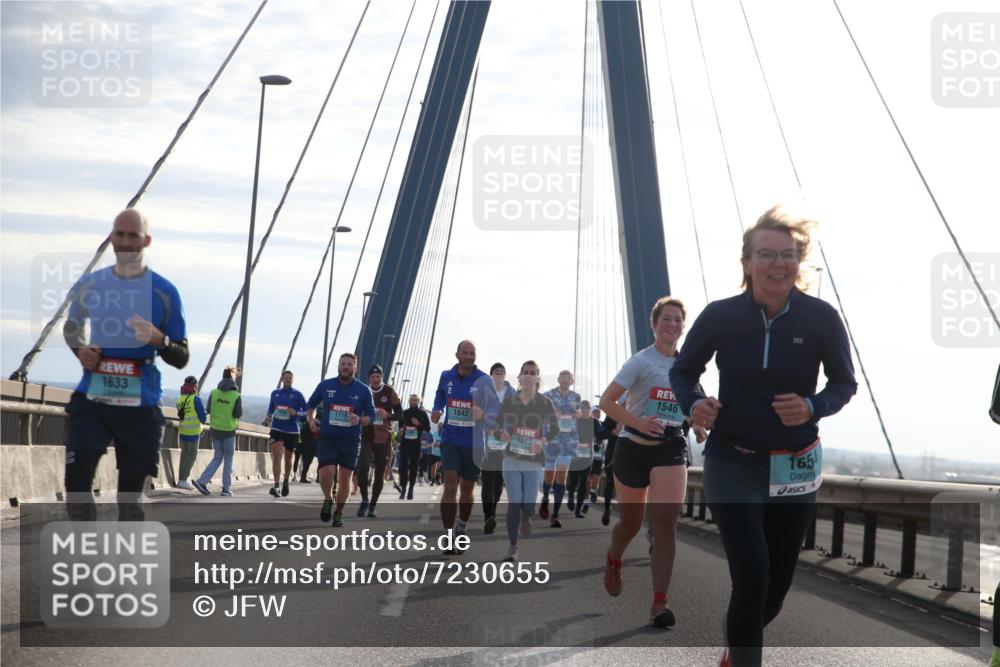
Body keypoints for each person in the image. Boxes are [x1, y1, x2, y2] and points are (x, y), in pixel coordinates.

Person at [670, 206, 857, 667]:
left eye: (788, 255)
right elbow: (684, 370)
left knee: (775, 587)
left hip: (795, 463)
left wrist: (813, 406)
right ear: (747, 263)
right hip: (733, 460)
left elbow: (843, 384)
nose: (779, 264)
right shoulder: (720, 317)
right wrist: (694, 403)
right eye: (767, 254)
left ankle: (736, 651)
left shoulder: (821, 319)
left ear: (800, 261)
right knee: (751, 575)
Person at [63, 208, 189, 520]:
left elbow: (181, 356)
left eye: (133, 235)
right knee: (77, 486)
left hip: (140, 406)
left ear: (146, 240)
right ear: (111, 237)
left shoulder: (164, 292)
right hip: (93, 399)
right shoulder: (90, 285)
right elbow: (72, 327)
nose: (125, 241)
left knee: (130, 502)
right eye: (119, 234)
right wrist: (80, 350)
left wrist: (160, 341)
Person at [599, 296, 706, 628]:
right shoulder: (640, 362)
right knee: (630, 524)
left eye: (678, 320)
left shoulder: (687, 367)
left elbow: (692, 404)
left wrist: (699, 424)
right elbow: (607, 401)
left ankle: (659, 603)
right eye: (667, 319)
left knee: (664, 526)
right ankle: (614, 559)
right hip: (633, 448)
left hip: (670, 448)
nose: (672, 325)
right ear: (654, 323)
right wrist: (636, 421)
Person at [493, 360, 559, 563]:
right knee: (515, 502)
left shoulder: (545, 403)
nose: (529, 375)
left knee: (528, 504)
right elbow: (495, 427)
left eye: (533, 373)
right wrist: (501, 434)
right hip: (511, 459)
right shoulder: (509, 401)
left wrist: (543, 440)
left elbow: (555, 429)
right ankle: (513, 546)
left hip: (534, 461)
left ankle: (527, 516)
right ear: (520, 377)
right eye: (526, 372)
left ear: (538, 378)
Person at [431, 340, 489, 554]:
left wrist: (482, 413)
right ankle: (447, 535)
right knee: (450, 486)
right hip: (451, 440)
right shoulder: (446, 376)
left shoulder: (484, 380)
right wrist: (437, 409)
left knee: (467, 490)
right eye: (465, 353)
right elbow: (440, 395)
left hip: (474, 443)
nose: (469, 356)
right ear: (457, 355)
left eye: (472, 353)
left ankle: (461, 528)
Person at [306, 352, 376, 527]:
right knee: (325, 472)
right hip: (328, 437)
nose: (345, 367)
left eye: (349, 364)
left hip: (350, 440)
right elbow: (311, 405)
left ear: (355, 368)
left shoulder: (363, 390)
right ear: (338, 365)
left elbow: (371, 416)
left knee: (345, 478)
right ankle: (329, 498)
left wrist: (359, 420)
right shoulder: (326, 385)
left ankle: (338, 513)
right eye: (343, 364)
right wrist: (311, 419)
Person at [356, 365, 402, 518]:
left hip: (383, 438)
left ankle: (373, 505)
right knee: (362, 467)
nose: (375, 379)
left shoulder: (389, 392)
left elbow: (400, 415)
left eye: (378, 377)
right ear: (369, 378)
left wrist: (387, 415)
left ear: (382, 377)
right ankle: (364, 499)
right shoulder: (363, 390)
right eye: (373, 377)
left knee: (380, 472)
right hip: (366, 436)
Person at [474, 362, 514, 534]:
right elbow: (476, 411)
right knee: (488, 481)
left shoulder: (512, 393)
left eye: (502, 372)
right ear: (491, 375)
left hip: (505, 442)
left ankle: (493, 511)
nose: (499, 374)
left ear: (505, 375)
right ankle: (487, 516)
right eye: (496, 371)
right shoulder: (484, 391)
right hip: (487, 440)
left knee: (498, 483)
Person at [541, 370, 584, 527]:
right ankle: (545, 498)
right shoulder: (548, 395)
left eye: (569, 377)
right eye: (563, 377)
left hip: (569, 440)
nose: (566, 379)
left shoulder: (576, 397)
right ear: (558, 379)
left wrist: (579, 415)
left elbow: (576, 414)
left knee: (562, 476)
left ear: (572, 381)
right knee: (549, 475)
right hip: (552, 438)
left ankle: (555, 515)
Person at [193, 366, 243, 497]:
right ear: (233, 379)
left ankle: (202, 481)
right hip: (229, 431)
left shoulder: (214, 392)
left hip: (215, 430)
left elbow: (208, 409)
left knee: (217, 457)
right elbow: (238, 413)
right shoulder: (236, 395)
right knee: (228, 459)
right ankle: (226, 488)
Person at [265, 370, 308, 498]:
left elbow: (307, 411)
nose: (288, 380)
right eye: (286, 378)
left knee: (288, 459)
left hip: (292, 431)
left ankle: (286, 482)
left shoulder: (298, 394)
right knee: (277, 457)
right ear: (282, 379)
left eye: (290, 378)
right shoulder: (275, 393)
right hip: (277, 429)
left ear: (293, 380)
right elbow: (271, 407)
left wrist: (296, 413)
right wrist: (269, 416)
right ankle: (276, 485)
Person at [175, 375, 207, 490]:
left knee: (184, 456)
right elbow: (203, 418)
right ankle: (183, 480)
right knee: (191, 457)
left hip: (183, 430)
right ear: (194, 385)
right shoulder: (195, 399)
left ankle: (181, 480)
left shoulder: (180, 398)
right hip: (193, 432)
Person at [567, 400, 596, 518]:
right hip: (575, 455)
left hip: (587, 456)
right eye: (583, 409)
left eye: (587, 409)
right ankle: (570, 497)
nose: (585, 411)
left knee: (583, 483)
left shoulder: (595, 422)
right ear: (580, 410)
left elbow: (604, 433)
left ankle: (578, 509)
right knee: (573, 481)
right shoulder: (575, 421)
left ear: (590, 410)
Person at [399, 394, 431, 499]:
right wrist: (402, 430)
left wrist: (418, 424)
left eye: (415, 400)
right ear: (409, 401)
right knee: (403, 468)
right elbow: (400, 426)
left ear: (418, 401)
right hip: (405, 443)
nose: (413, 402)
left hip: (416, 444)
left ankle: (410, 490)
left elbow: (428, 428)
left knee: (413, 468)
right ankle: (403, 489)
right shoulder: (405, 412)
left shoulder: (422, 413)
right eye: (411, 400)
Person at [589, 407, 607, 504]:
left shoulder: (603, 424)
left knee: (596, 476)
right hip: (586, 453)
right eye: (595, 411)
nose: (597, 413)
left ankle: (593, 491)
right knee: (587, 475)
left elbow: (605, 435)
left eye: (599, 412)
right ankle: (584, 492)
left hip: (599, 454)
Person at [295, 414, 318, 482]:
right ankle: (317, 477)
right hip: (311, 444)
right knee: (308, 461)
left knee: (307, 461)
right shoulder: (307, 425)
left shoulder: (305, 425)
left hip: (308, 444)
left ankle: (303, 476)